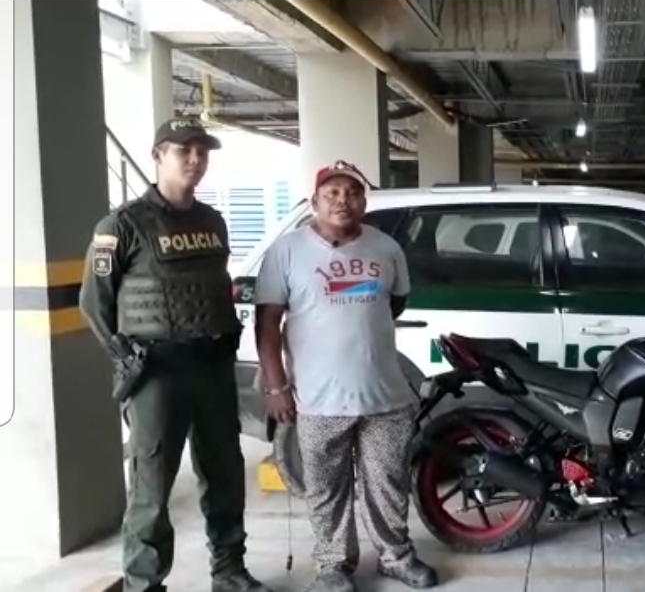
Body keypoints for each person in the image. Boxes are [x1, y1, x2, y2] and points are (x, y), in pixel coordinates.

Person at [79, 118, 271, 592]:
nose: (195, 159)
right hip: (156, 372)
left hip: (212, 365)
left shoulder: (212, 221)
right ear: (158, 156)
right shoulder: (121, 225)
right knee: (151, 487)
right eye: (184, 150)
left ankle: (229, 570)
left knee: (225, 473)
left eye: (202, 151)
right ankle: (145, 584)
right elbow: (94, 304)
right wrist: (125, 360)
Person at [253, 160, 438, 591]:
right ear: (314, 201)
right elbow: (267, 324)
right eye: (332, 193)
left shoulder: (385, 248)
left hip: (385, 395)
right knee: (326, 489)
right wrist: (277, 386)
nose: (342, 201)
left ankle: (395, 556)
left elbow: (393, 305)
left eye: (352, 193)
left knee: (388, 483)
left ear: (364, 202)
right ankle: (333, 565)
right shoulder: (287, 252)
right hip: (318, 399)